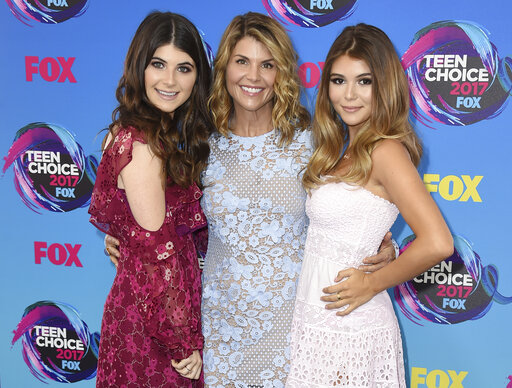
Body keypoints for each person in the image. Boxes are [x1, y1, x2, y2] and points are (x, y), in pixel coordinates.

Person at [105, 12, 396, 387]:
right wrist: (126, 240)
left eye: (267, 64)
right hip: (218, 330)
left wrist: (387, 249)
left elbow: (354, 213)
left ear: (282, 74)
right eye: (242, 61)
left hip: (296, 327)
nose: (253, 76)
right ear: (224, 67)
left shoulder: (314, 142)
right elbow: (167, 228)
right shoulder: (198, 144)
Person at [285, 24, 454, 387]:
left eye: (364, 81)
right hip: (319, 321)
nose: (349, 94)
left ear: (385, 84)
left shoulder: (386, 151)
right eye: (338, 80)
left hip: (353, 326)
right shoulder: (340, 150)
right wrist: (386, 245)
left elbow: (438, 242)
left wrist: (373, 283)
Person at [88, 11, 213, 387]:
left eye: (184, 68)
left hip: (157, 312)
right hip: (153, 328)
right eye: (158, 64)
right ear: (141, 66)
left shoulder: (161, 136)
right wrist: (181, 342)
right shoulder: (140, 143)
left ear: (198, 77)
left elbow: (145, 233)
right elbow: (159, 255)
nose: (170, 81)